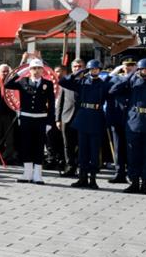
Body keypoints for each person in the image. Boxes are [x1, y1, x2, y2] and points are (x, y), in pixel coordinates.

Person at [108, 58, 146, 195]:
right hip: (134, 123)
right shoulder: (131, 84)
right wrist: (130, 74)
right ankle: (134, 183)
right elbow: (113, 90)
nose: (145, 71)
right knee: (133, 155)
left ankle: (145, 184)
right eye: (142, 69)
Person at [58, 59, 112, 188]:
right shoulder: (81, 82)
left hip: (96, 117)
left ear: (99, 70)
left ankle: (92, 179)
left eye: (96, 69)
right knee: (82, 151)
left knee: (94, 151)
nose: (94, 71)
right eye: (91, 69)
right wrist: (80, 72)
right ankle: (82, 178)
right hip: (83, 117)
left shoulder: (104, 84)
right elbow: (63, 81)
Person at [4, 59, 56, 184]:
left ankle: (37, 174)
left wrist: (49, 122)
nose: (36, 71)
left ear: (42, 70)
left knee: (38, 146)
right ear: (30, 70)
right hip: (26, 118)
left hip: (41, 119)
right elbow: (7, 84)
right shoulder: (23, 81)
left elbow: (52, 105)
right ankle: (27, 173)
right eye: (33, 68)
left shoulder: (47, 84)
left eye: (38, 68)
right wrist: (20, 72)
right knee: (26, 145)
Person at [107, 57, 138, 183]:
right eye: (126, 65)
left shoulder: (138, 79)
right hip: (117, 117)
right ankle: (119, 173)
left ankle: (132, 174)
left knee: (132, 147)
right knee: (118, 146)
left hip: (132, 118)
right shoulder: (116, 78)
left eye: (132, 65)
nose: (129, 68)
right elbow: (109, 89)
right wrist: (115, 73)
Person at [55, 58, 83, 176]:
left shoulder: (87, 80)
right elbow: (60, 101)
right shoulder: (66, 81)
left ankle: (81, 168)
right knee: (68, 144)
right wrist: (57, 119)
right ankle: (70, 167)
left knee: (81, 144)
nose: (77, 68)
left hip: (82, 118)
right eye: (75, 66)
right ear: (72, 68)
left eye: (80, 66)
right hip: (66, 117)